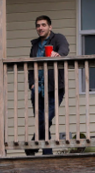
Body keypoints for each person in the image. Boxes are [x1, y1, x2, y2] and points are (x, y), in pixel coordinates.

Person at [26, 15, 69, 156]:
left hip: (54, 88)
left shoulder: (58, 38)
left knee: (45, 119)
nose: (40, 28)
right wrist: (31, 84)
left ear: (50, 27)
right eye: (38, 25)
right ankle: (44, 151)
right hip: (37, 90)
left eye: (44, 25)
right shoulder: (35, 46)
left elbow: (64, 48)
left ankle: (35, 146)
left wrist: (59, 54)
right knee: (42, 121)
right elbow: (31, 67)